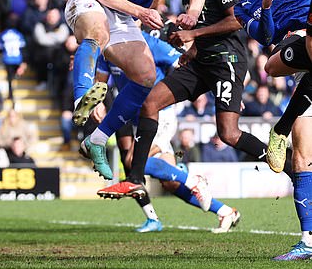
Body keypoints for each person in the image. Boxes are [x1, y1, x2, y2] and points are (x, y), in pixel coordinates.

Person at [99, 0, 289, 201]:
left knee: (229, 133)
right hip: (202, 62)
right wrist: (193, 49)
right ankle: (135, 178)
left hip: (226, 61)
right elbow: (206, 26)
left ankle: (290, 167)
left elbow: (237, 20)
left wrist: (194, 35)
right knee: (150, 103)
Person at [65, 0, 206, 180]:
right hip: (94, 0)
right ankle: (82, 97)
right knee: (97, 32)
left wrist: (192, 14)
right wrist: (141, 12)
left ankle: (96, 140)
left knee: (145, 76)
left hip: (124, 13)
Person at [211, 0, 312, 260]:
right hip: (300, 62)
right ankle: (308, 241)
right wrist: (266, 7)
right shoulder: (244, 7)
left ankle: (280, 128)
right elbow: (267, 37)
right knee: (301, 159)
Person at [92, 30, 240, 233]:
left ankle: (192, 180)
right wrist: (97, 102)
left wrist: (221, 92)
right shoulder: (107, 49)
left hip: (159, 115)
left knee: (132, 161)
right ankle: (224, 211)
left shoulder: (149, 45)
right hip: (132, 117)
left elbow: (186, 65)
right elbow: (100, 80)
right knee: (169, 182)